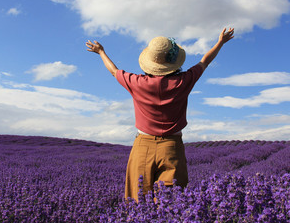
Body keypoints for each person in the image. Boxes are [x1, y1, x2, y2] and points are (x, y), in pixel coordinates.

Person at [86, 28, 234, 201]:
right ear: (173, 62)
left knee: (137, 202)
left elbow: (114, 71)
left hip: (142, 147)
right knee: (170, 206)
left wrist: (101, 52)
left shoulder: (137, 83)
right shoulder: (183, 81)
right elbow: (204, 62)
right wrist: (220, 42)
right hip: (172, 148)